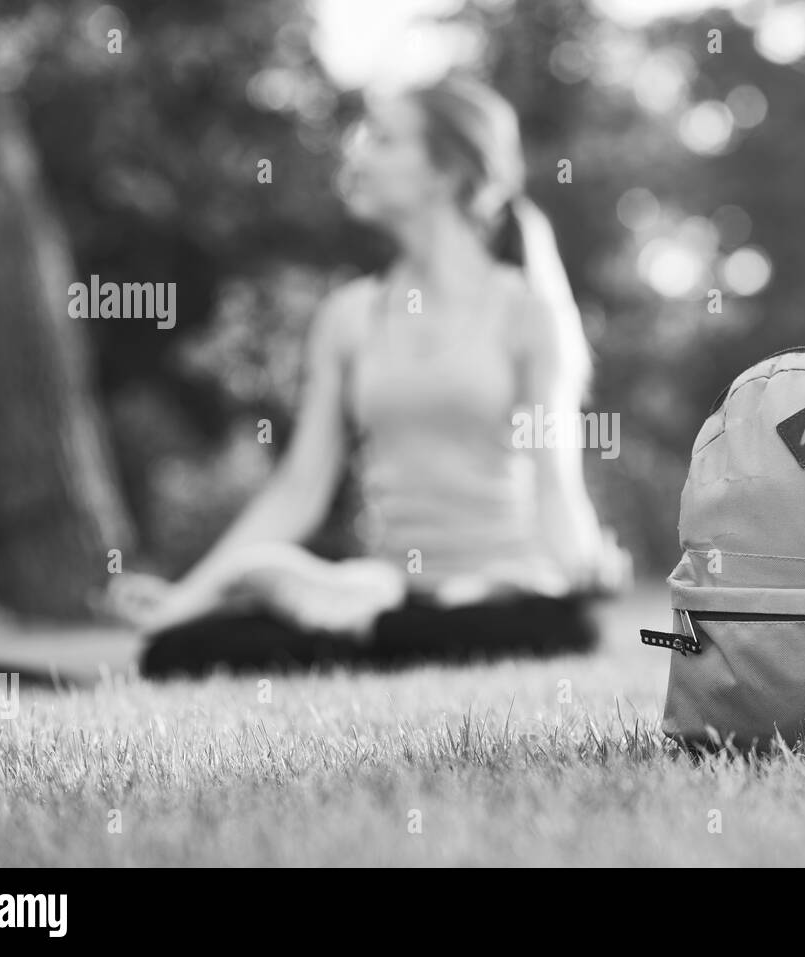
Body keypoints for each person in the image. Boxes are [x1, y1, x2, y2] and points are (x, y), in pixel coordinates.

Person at [108, 74, 629, 678]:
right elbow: (299, 489)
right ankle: (369, 622)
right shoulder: (347, 317)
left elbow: (554, 484)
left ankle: (361, 627)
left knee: (566, 627)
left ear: (445, 171)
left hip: (501, 589)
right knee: (175, 652)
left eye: (383, 140)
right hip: (389, 586)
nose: (357, 154)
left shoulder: (528, 313)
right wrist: (186, 601)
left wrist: (586, 568)